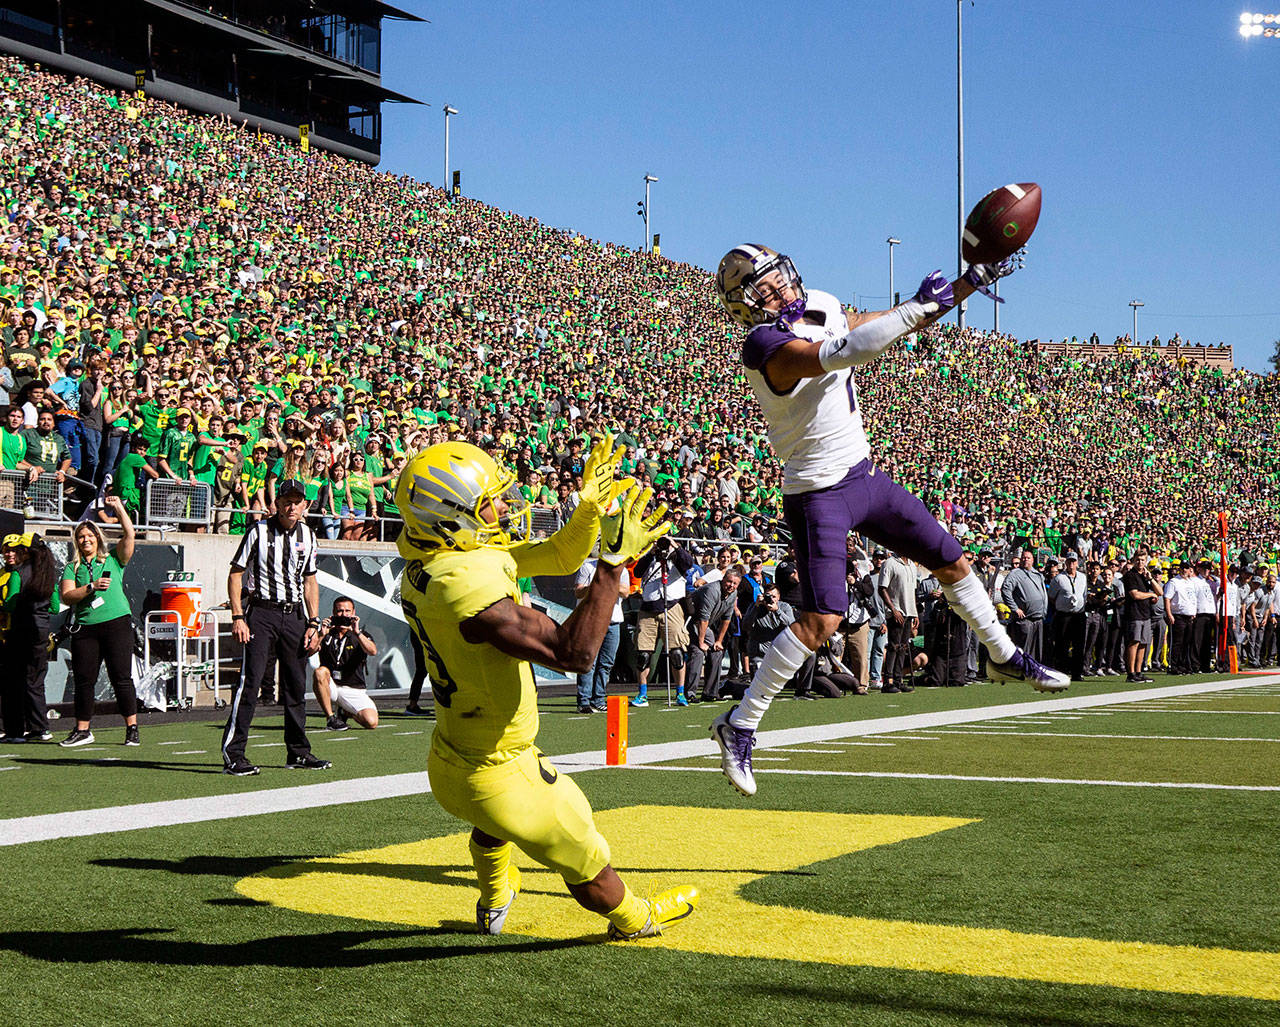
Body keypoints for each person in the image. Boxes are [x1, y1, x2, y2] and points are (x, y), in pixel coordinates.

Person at [708, 245, 1066, 795]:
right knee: (823, 618)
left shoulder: (821, 303)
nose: (779, 289)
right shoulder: (762, 345)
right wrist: (913, 308)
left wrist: (967, 284)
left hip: (864, 477)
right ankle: (740, 725)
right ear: (744, 305)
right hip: (817, 491)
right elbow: (850, 349)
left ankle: (1003, 656)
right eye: (764, 287)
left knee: (950, 558)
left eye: (778, 277)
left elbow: (884, 322)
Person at [394, 435, 697, 938]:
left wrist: (589, 512)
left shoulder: (437, 560)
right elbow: (573, 654)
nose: (499, 508)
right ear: (448, 515)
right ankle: (634, 919)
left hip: (455, 753)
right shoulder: (460, 584)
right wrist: (612, 565)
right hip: (494, 770)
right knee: (585, 855)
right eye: (486, 502)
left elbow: (555, 554)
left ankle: (494, 896)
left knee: (497, 823)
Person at [221, 477, 330, 775]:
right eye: (287, 501)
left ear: (305, 505)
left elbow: (310, 580)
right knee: (251, 682)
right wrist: (238, 616)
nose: (292, 506)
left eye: (298, 501)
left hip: (294, 615)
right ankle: (234, 754)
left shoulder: (308, 535)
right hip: (262, 613)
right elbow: (235, 575)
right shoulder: (258, 531)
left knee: (295, 685)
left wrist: (313, 621)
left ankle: (298, 752)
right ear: (277, 504)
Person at [57, 497, 141, 747]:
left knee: (121, 677)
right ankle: (83, 730)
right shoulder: (73, 567)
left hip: (116, 623)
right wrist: (90, 587)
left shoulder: (113, 558)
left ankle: (132, 728)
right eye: (81, 537)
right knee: (84, 679)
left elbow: (129, 534)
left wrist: (119, 509)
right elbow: (67, 596)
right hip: (86, 627)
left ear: (97, 537)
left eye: (89, 535)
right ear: (77, 541)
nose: (86, 540)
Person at [0, 531, 56, 742]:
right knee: (36, 681)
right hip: (42, 631)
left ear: (25, 552)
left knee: (14, 681)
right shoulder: (48, 573)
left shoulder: (18, 574)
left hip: (21, 631)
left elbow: (11, 604)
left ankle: (15, 731)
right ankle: (40, 728)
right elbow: (55, 606)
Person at [573, 550, 630, 714]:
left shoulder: (622, 571)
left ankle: (598, 698)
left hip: (612, 621)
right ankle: (584, 700)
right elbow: (578, 591)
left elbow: (626, 592)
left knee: (607, 662)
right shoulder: (588, 567)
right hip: (592, 622)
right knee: (588, 662)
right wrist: (595, 585)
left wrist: (610, 582)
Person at [312, 596, 379, 730]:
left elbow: (373, 651)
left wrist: (357, 632)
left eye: (347, 611)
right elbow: (308, 652)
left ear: (353, 613)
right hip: (331, 686)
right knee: (320, 672)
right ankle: (330, 718)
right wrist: (320, 635)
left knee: (371, 722)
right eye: (340, 611)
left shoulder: (360, 634)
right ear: (333, 612)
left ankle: (345, 711)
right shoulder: (327, 633)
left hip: (352, 688)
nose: (344, 614)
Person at [684, 567, 741, 704]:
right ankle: (689, 693)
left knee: (717, 651)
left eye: (734, 583)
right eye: (729, 582)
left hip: (705, 625)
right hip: (691, 621)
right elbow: (703, 619)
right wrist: (701, 642)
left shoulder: (733, 594)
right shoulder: (712, 590)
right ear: (723, 580)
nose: (731, 585)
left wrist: (719, 641)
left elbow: (726, 620)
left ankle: (710, 692)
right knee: (697, 652)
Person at [1001, 549, 1049, 661]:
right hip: (1025, 619)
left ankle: (1033, 672)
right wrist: (1015, 608)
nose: (1025, 559)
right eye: (1023, 557)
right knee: (1023, 650)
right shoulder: (1015, 573)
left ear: (1033, 560)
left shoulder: (1038, 574)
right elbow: (1005, 590)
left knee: (1037, 651)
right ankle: (1021, 671)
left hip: (1038, 618)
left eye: (1028, 557)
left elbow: (1043, 594)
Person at [1048, 553, 1088, 680]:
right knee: (1062, 644)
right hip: (1064, 615)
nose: (1071, 564)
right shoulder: (1059, 578)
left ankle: (1077, 673)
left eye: (1074, 561)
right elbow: (1051, 597)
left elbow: (1084, 595)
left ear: (1077, 563)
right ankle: (1061, 672)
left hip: (1079, 615)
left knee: (1079, 645)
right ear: (1065, 563)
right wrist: (1063, 605)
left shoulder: (1082, 577)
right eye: (1069, 561)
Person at [1121, 551, 1160, 683]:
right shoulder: (1130, 575)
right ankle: (1131, 673)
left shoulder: (1145, 575)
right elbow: (1135, 595)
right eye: (1138, 560)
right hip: (1134, 614)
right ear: (1133, 560)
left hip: (1145, 614)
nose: (1140, 563)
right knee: (1134, 642)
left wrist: (1150, 579)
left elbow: (1159, 592)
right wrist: (1150, 595)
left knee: (1143, 643)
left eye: (1143, 560)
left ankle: (1139, 671)